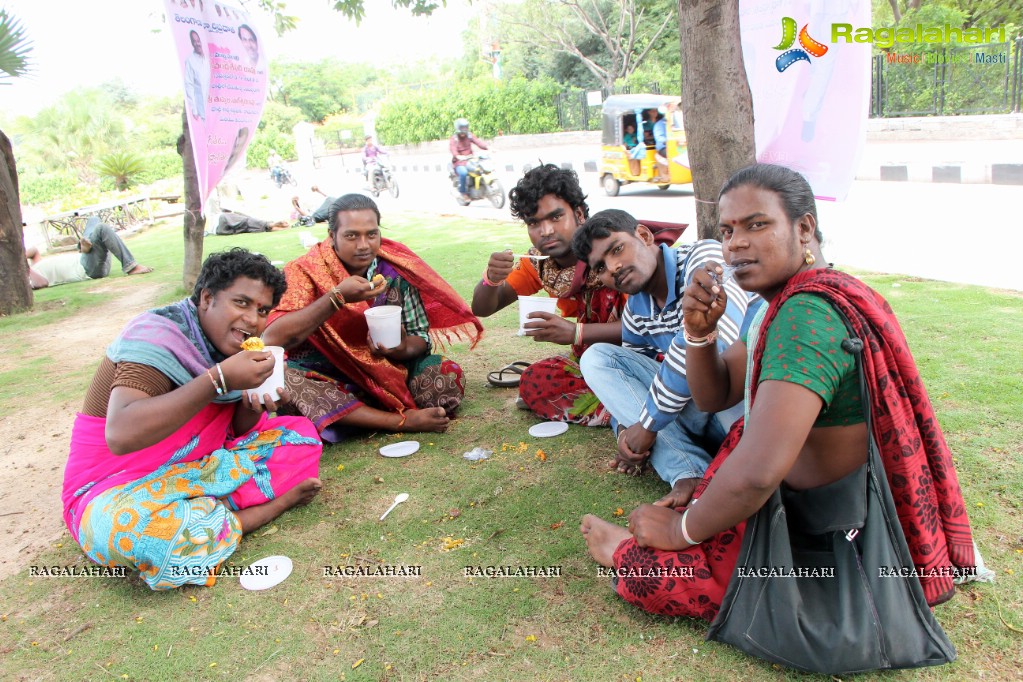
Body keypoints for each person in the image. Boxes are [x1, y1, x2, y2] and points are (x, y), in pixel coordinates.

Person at [579, 164, 974, 644]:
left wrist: (681, 530)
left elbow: (758, 475)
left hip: (819, 532)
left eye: (756, 225)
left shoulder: (806, 316)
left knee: (657, 568)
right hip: (793, 502)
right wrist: (699, 335)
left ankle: (628, 552)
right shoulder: (782, 303)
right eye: (727, 231)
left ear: (803, 228)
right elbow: (715, 395)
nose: (735, 244)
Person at [61, 248, 323, 590]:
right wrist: (218, 380)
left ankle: (201, 514)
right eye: (241, 303)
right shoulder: (156, 337)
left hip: (194, 469)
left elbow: (230, 433)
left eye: (262, 310)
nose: (253, 320)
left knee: (300, 436)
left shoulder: (228, 351)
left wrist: (250, 403)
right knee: (144, 536)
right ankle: (257, 513)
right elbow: (121, 435)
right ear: (206, 297)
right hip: (113, 484)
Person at [265, 194, 483, 440]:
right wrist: (336, 298)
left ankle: (355, 417)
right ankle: (397, 420)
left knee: (444, 375)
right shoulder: (304, 271)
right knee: (285, 379)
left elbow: (420, 337)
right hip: (324, 378)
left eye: (371, 234)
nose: (363, 245)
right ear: (331, 235)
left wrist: (399, 349)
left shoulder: (393, 271)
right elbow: (272, 337)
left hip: (388, 376)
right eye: (351, 235)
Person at [573, 209, 755, 503]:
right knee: (598, 359)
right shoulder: (637, 309)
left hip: (740, 401)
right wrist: (627, 433)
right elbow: (633, 390)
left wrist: (646, 427)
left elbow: (716, 346)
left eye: (617, 249)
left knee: (705, 365)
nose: (614, 267)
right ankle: (688, 471)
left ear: (644, 236)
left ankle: (733, 467)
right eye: (601, 267)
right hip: (698, 413)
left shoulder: (703, 260)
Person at [471, 164, 626, 426]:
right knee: (533, 381)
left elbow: (645, 328)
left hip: (638, 356)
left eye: (555, 218)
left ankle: (622, 409)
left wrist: (575, 333)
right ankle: (624, 407)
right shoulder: (540, 264)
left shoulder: (612, 251)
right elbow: (484, 307)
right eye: (534, 223)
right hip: (587, 365)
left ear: (578, 214)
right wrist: (492, 279)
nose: (546, 231)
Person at [27, 217, 153, 289]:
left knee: (94, 220)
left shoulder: (35, 266)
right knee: (101, 228)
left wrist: (20, 258)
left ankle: (83, 247)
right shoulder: (29, 277)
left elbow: (34, 251)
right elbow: (42, 283)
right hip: (87, 269)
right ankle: (131, 266)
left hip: (86, 257)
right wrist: (24, 267)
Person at [449, 118, 488, 200]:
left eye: (465, 128)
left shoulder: (469, 135)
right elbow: (453, 149)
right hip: (459, 163)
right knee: (463, 173)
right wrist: (458, 156)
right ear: (458, 129)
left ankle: (481, 188)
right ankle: (463, 193)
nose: (463, 131)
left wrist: (488, 147)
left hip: (470, 160)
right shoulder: (454, 139)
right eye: (462, 129)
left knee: (480, 169)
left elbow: (478, 142)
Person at [183, 30, 209, 123]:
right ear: (192, 43)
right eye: (195, 41)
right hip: (202, 112)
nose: (198, 43)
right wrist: (194, 110)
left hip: (215, 109)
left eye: (198, 41)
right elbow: (189, 85)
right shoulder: (190, 61)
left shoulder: (208, 59)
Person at [652, 109, 669, 182]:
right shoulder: (660, 124)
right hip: (663, 148)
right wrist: (666, 141)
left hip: (672, 147)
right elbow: (659, 137)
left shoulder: (674, 122)